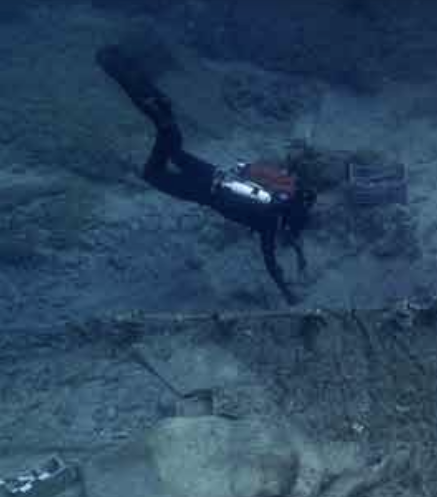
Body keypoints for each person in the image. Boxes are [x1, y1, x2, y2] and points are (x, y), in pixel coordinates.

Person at [97, 45, 316, 304]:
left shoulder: (279, 200)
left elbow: (293, 220)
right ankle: (140, 94)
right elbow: (270, 261)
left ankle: (152, 99)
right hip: (202, 190)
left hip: (213, 173)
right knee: (152, 173)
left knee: (174, 144)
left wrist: (300, 256)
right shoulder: (269, 225)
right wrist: (287, 293)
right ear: (288, 224)